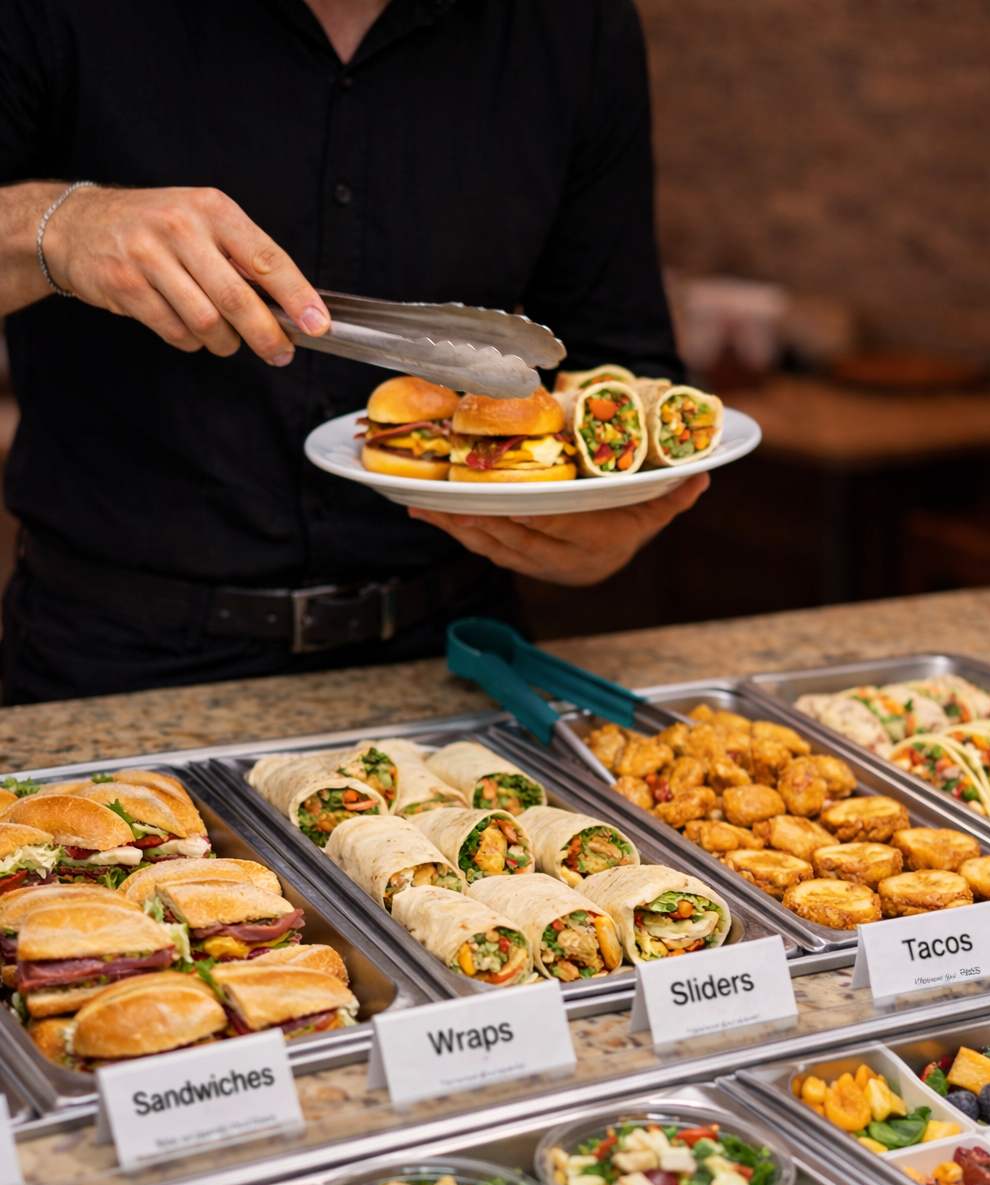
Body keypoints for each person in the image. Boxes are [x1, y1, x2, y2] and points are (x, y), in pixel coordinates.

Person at [0, 0, 708, 704]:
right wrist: (57, 226)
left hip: (452, 656)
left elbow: (617, 351)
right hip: (112, 660)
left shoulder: (575, 23)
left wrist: (607, 527)